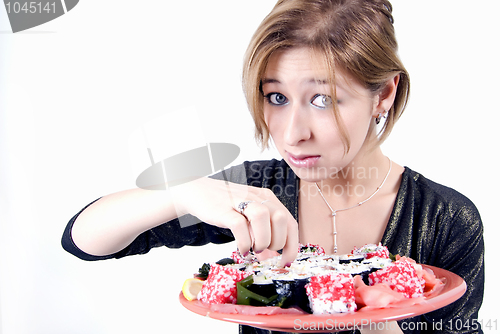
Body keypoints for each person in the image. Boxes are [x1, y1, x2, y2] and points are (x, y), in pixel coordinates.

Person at [61, 0, 484, 333]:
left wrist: (369, 315)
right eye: (276, 97)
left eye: (322, 99)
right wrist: (182, 191)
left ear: (384, 94)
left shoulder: (446, 217)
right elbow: (82, 239)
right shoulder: (258, 190)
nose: (292, 133)